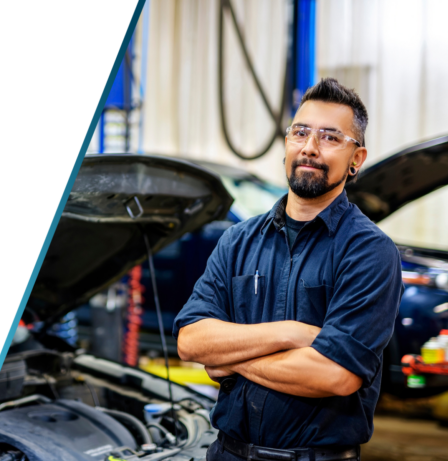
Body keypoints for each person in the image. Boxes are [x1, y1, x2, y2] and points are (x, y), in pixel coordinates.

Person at [173, 78, 404, 461]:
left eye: (330, 138)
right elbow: (191, 342)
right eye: (300, 132)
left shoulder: (369, 251)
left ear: (356, 159)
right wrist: (292, 333)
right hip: (227, 453)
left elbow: (335, 375)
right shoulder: (237, 241)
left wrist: (228, 358)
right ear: (286, 143)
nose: (310, 148)